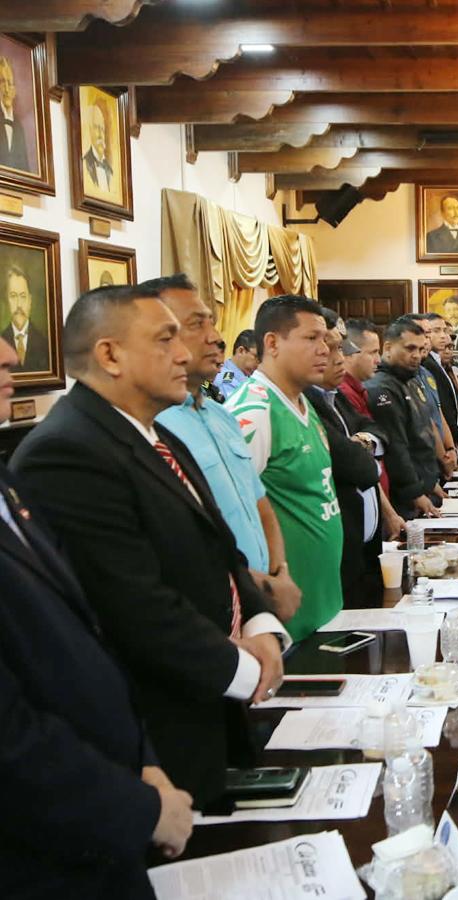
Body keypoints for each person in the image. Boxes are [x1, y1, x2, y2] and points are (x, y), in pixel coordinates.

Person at [12, 285, 286, 806]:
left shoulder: (156, 434)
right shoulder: (66, 452)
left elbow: (221, 546)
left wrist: (261, 625)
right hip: (159, 723)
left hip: (211, 697)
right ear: (110, 355)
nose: (184, 352)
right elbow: (131, 604)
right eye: (165, 339)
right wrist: (246, 668)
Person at [0, 333, 195, 897]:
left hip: (104, 801)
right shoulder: (62, 448)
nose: (13, 355)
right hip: (42, 849)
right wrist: (137, 807)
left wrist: (141, 760)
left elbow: (86, 636)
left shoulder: (6, 482)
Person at [148, 275, 300, 623]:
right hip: (211, 611)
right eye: (195, 325)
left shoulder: (220, 413)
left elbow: (260, 506)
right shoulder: (156, 425)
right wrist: (255, 588)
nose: (216, 338)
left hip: (263, 602)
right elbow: (178, 544)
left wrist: (280, 576)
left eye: (212, 323)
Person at [226, 295, 344, 642]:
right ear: (273, 343)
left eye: (325, 339)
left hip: (323, 601)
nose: (325, 349)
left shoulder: (303, 399)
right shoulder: (253, 411)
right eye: (312, 339)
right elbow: (228, 515)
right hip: (284, 616)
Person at [305, 309, 396, 603]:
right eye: (330, 348)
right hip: (334, 555)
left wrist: (364, 443)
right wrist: (365, 452)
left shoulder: (335, 396)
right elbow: (362, 469)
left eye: (339, 348)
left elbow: (376, 430)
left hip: (362, 546)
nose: (338, 358)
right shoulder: (306, 402)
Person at [367, 317, 445, 519]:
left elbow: (423, 432)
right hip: (404, 497)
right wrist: (415, 492)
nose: (417, 356)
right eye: (410, 348)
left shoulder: (411, 379)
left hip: (424, 485)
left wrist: (431, 482)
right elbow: (396, 446)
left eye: (420, 350)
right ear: (388, 347)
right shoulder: (382, 387)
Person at [420, 313, 458, 453]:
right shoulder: (427, 364)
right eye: (436, 331)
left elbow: (455, 404)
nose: (443, 336)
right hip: (442, 441)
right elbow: (440, 407)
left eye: (444, 330)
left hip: (453, 437)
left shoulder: (442, 364)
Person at [3, 263, 49, 371]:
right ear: (6, 300)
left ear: (30, 301)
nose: (19, 305)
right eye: (13, 296)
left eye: (23, 296)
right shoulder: (2, 341)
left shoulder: (46, 343)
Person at [0, 55, 29, 171]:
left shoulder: (19, 127)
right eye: (2, 82)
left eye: (10, 83)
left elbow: (26, 171)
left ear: (15, 90)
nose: (7, 89)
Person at [82, 103, 115, 196]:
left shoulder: (110, 171)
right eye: (96, 128)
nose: (101, 134)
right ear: (90, 130)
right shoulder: (85, 164)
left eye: (102, 129)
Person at [215, 328, 258, 399]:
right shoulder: (226, 381)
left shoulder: (248, 378)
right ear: (241, 351)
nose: (259, 363)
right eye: (257, 357)